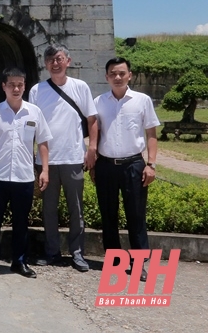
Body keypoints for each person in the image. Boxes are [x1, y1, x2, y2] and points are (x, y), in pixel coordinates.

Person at [28, 44, 98, 272]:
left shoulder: (80, 87)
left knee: (75, 208)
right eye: (50, 59)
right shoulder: (37, 91)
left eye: (59, 59)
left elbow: (92, 119)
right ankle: (52, 252)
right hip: (46, 162)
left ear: (68, 61)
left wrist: (92, 149)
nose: (54, 63)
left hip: (73, 157)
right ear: (45, 63)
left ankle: (78, 253)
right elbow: (32, 126)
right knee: (49, 209)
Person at [0, 67, 51, 279]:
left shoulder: (34, 112)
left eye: (20, 84)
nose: (16, 88)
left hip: (24, 177)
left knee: (22, 222)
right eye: (11, 84)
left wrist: (44, 170)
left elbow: (43, 142)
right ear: (3, 86)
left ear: (24, 86)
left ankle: (19, 262)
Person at [93, 57, 159, 281]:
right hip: (106, 165)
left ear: (130, 75)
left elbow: (151, 134)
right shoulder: (99, 102)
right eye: (113, 73)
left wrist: (151, 164)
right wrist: (93, 162)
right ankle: (116, 261)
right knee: (108, 215)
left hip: (133, 165)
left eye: (122, 73)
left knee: (136, 215)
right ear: (107, 77)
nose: (117, 77)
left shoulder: (142, 100)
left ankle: (139, 263)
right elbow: (95, 133)